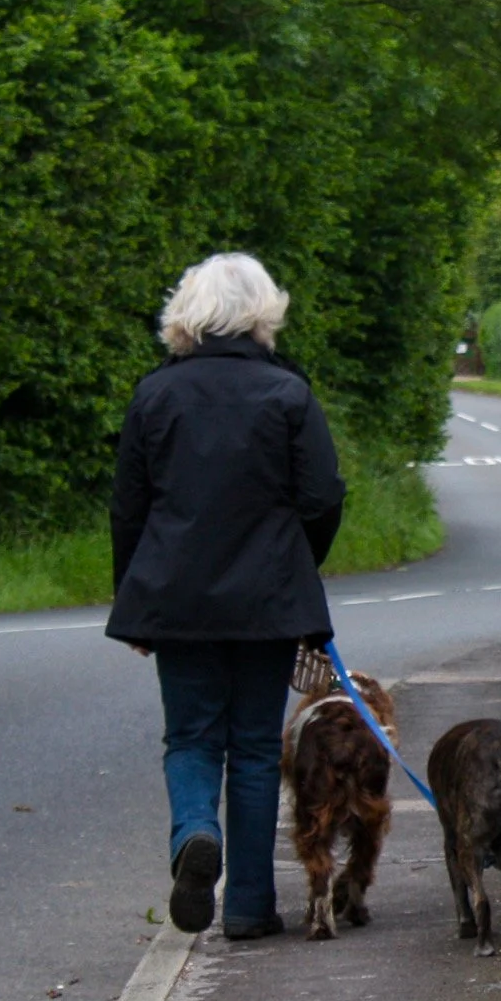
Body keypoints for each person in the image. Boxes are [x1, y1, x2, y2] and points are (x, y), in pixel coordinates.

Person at [108, 254, 345, 938]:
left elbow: (129, 507)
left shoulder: (154, 395)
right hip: (268, 598)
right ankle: (247, 905)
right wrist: (301, 560)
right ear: (263, 311)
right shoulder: (288, 394)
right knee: (251, 747)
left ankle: (193, 833)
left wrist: (135, 596)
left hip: (175, 598)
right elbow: (322, 495)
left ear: (188, 312)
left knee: (189, 737)